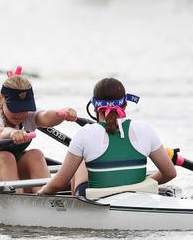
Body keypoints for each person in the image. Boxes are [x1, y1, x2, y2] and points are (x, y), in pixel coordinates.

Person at [38, 78, 176, 197]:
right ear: (125, 105)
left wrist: (40, 194)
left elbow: (59, 183)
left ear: (94, 108)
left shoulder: (85, 134)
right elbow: (169, 173)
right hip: (137, 197)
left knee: (80, 160)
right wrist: (143, 184)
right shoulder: (146, 129)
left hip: (96, 202)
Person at [0, 68, 78, 193]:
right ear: (1, 99)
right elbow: (0, 131)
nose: (19, 114)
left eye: (23, 108)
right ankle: (17, 205)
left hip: (11, 171)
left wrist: (62, 114)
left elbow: (45, 118)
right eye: (14, 108)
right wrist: (12, 133)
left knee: (36, 155)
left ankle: (47, 201)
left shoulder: (29, 114)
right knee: (5, 158)